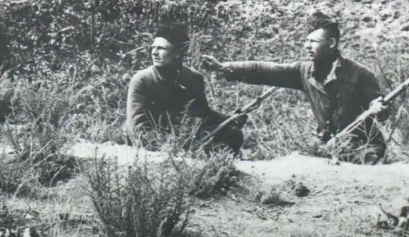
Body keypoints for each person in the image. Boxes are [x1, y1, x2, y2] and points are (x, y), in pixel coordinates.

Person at [202, 12, 387, 163]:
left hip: (364, 147)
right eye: (305, 41)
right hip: (328, 147)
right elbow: (263, 70)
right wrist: (223, 67)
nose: (306, 46)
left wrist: (378, 107)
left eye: (313, 41)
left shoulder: (360, 73)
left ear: (331, 44)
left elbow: (383, 111)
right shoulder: (303, 71)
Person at [125, 24, 245, 154]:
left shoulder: (194, 78)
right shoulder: (142, 80)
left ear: (177, 53)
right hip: (155, 141)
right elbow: (137, 127)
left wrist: (230, 119)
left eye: (161, 48)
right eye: (153, 47)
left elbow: (203, 114)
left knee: (234, 134)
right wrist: (166, 147)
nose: (154, 52)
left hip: (186, 138)